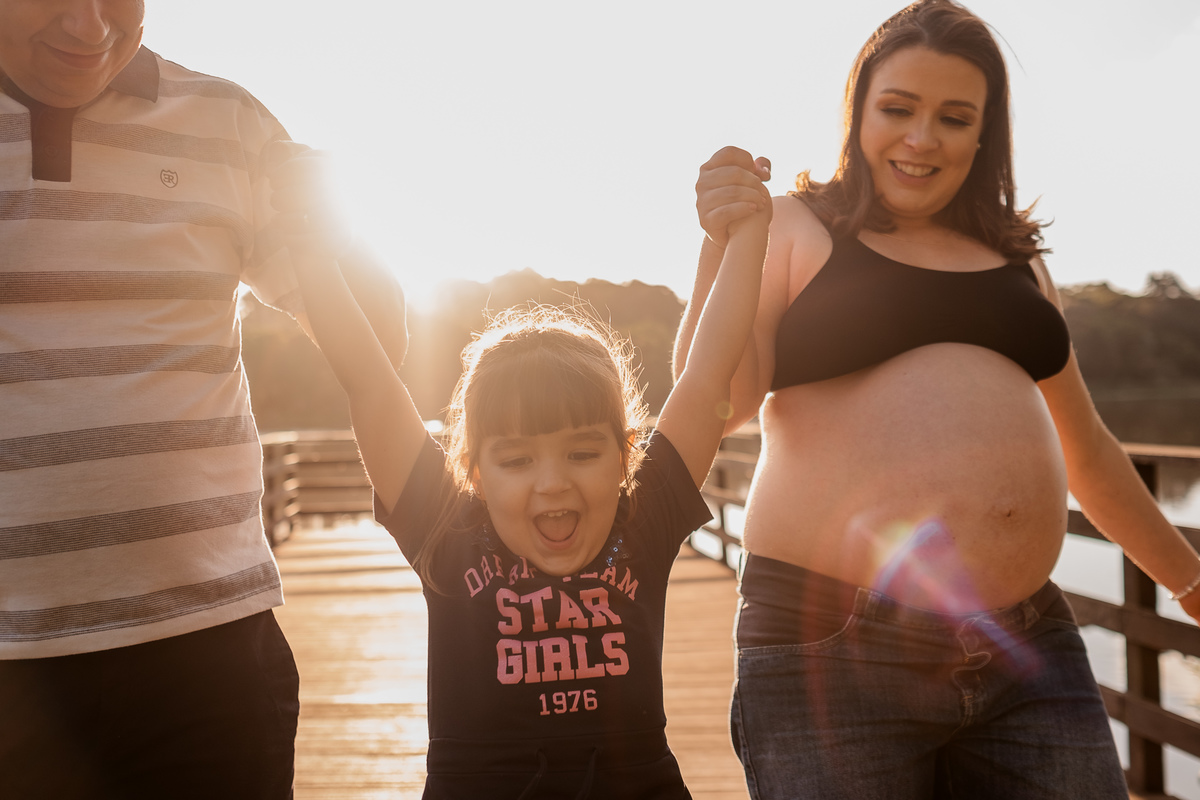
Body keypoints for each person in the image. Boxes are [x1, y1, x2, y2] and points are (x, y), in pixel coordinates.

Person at [674, 1, 1200, 798]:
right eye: (898, 109)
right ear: (858, 112)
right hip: (833, 647)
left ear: (985, 135)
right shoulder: (795, 226)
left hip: (1029, 644)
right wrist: (722, 242)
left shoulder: (1018, 260)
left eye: (954, 118)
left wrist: (1190, 584)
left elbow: (1088, 451)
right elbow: (721, 403)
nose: (921, 138)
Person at [268, 146, 772, 797]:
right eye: (516, 459)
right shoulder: (446, 532)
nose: (552, 482)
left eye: (582, 453)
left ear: (625, 456)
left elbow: (706, 380)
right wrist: (307, 242)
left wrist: (747, 232)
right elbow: (368, 380)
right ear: (473, 469)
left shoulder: (640, 522)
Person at [0, 2, 406, 798]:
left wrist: (332, 228)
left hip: (211, 653)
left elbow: (377, 344)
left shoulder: (229, 124)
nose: (91, 28)